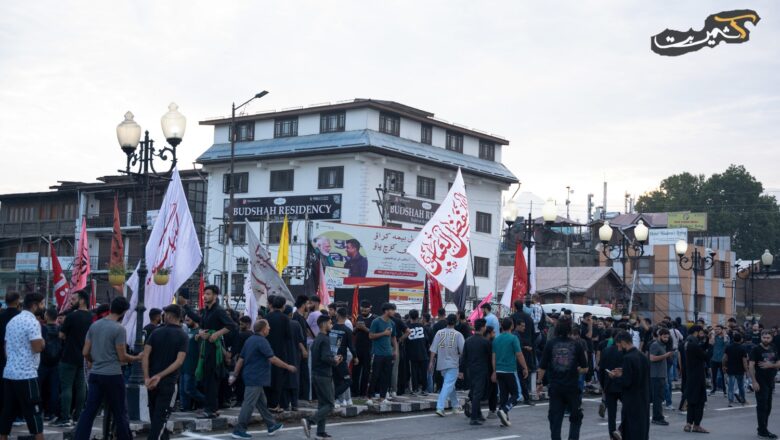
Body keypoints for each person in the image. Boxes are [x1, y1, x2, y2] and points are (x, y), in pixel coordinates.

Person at [73, 297, 141, 440]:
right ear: (123, 312)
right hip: (113, 375)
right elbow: (122, 357)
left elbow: (85, 352)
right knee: (120, 411)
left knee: (89, 410)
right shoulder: (119, 329)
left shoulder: (95, 325)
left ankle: (79, 437)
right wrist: (137, 358)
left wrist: (94, 360)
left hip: (95, 374)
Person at [229, 319, 295, 439]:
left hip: (251, 376)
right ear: (263, 329)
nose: (269, 328)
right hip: (256, 378)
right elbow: (272, 358)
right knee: (248, 404)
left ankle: (271, 425)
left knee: (262, 403)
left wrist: (235, 374)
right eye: (268, 327)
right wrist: (288, 366)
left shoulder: (250, 340)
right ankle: (239, 429)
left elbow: (241, 359)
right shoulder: (262, 341)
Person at [0, 293, 45, 440]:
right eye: (42, 304)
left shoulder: (12, 321)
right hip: (27, 375)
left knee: (7, 412)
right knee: (35, 414)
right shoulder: (32, 322)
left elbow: (6, 349)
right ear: (34, 305)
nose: (43, 307)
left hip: (9, 373)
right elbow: (37, 347)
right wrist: (43, 342)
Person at [142, 304, 188, 440]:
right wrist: (159, 376)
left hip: (152, 382)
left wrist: (147, 377)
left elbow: (145, 355)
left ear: (167, 316)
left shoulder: (156, 332)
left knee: (156, 418)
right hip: (168, 382)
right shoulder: (183, 336)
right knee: (160, 419)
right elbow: (179, 362)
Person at [538, 317, 588, 440]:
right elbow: (585, 368)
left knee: (555, 418)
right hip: (572, 387)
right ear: (570, 328)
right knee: (576, 417)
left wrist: (539, 382)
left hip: (555, 387)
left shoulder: (550, 344)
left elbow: (542, 367)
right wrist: (576, 370)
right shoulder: (577, 344)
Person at [53, 290, 92, 427]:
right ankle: (78, 416)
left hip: (69, 357)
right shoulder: (91, 317)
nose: (71, 302)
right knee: (81, 387)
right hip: (84, 357)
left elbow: (62, 335)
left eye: (73, 299)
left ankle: (65, 417)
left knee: (66, 387)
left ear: (82, 300)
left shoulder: (71, 317)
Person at [197, 285, 236, 419]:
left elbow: (231, 325)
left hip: (215, 350)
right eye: (205, 294)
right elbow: (203, 327)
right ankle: (212, 407)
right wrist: (200, 333)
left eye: (208, 294)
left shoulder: (219, 310)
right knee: (207, 379)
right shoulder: (205, 311)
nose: (205, 296)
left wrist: (217, 334)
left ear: (215, 296)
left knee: (211, 379)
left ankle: (211, 409)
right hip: (205, 348)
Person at [302, 315, 342, 439]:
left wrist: (332, 358)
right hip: (324, 375)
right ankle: (310, 421)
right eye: (330, 323)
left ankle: (320, 431)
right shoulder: (324, 339)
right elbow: (325, 357)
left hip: (316, 374)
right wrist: (335, 361)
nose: (331, 325)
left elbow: (320, 356)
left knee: (322, 404)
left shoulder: (318, 338)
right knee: (330, 404)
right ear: (324, 324)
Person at [609, 330, 650, 440]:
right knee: (642, 429)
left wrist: (615, 377)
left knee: (631, 430)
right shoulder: (642, 355)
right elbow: (639, 374)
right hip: (643, 397)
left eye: (618, 344)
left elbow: (627, 382)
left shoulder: (628, 358)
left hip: (631, 400)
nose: (617, 347)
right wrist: (624, 372)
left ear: (623, 342)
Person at [491, 317, 528, 427]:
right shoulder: (513, 338)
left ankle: (504, 418)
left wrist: (494, 371)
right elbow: (519, 354)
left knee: (503, 395)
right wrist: (525, 367)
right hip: (510, 370)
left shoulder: (496, 339)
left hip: (499, 370)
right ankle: (504, 409)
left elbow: (493, 357)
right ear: (512, 326)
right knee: (517, 395)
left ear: (501, 326)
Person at [429, 314, 465, 417]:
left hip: (441, 364)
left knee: (450, 385)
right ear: (456, 322)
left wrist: (431, 362)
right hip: (453, 363)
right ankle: (440, 407)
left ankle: (455, 405)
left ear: (446, 321)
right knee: (448, 385)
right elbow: (463, 351)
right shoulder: (458, 334)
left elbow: (433, 349)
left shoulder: (439, 333)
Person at [460, 318, 492, 425]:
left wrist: (461, 371)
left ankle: (478, 414)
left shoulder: (468, 340)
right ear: (482, 328)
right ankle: (474, 418)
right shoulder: (485, 342)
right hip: (481, 370)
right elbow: (490, 358)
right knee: (477, 394)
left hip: (470, 370)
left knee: (474, 392)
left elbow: (463, 357)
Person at [749, 330, 779, 439]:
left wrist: (771, 365)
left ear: (771, 338)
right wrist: (754, 381)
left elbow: (778, 362)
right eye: (764, 337)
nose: (766, 339)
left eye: (768, 338)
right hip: (760, 381)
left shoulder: (773, 347)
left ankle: (763, 428)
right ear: (761, 337)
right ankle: (762, 430)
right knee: (762, 406)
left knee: (769, 406)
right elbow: (751, 366)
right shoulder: (756, 349)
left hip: (770, 380)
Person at [264, 296, 290, 411]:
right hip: (280, 352)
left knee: (268, 376)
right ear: (283, 306)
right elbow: (288, 336)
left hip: (267, 351)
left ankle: (267, 403)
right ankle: (274, 404)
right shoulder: (285, 318)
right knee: (278, 378)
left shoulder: (267, 317)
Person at [367, 303, 397, 405]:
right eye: (392, 310)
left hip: (388, 353)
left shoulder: (392, 323)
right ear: (386, 311)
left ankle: (383, 397)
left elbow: (393, 338)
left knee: (386, 376)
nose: (394, 312)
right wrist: (383, 333)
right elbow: (370, 336)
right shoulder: (376, 321)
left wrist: (395, 350)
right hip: (377, 353)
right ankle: (369, 397)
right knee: (375, 375)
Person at [683, 325, 710, 434]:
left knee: (691, 401)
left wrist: (707, 341)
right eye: (701, 332)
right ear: (696, 332)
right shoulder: (694, 345)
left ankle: (689, 424)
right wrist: (711, 347)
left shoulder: (688, 343)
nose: (702, 334)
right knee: (700, 402)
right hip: (698, 376)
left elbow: (701, 349)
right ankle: (697, 425)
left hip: (690, 375)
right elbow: (706, 356)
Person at [597, 329, 623, 440]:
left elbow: (601, 370)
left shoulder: (606, 351)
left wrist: (603, 385)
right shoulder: (625, 351)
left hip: (609, 385)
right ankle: (621, 430)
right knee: (628, 410)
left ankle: (612, 435)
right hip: (623, 386)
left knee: (611, 414)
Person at [39, 307, 62, 421]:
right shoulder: (60, 329)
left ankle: (39, 410)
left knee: (39, 387)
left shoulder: (42, 329)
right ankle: (52, 412)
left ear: (46, 316)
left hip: (42, 361)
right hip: (56, 362)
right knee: (54, 388)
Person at [330, 307, 355, 406]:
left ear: (337, 315)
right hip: (341, 359)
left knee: (338, 380)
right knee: (347, 381)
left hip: (333, 357)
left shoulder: (333, 328)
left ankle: (339, 400)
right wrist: (356, 357)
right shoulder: (347, 330)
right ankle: (334, 396)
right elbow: (351, 346)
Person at [181, 312, 206, 411]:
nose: (186, 322)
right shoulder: (187, 331)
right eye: (185, 320)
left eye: (188, 320)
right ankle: (186, 409)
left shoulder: (199, 332)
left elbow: (201, 350)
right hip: (183, 365)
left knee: (189, 389)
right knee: (183, 390)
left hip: (192, 366)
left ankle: (207, 403)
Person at [649, 328, 672, 426]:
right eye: (664, 337)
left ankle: (658, 417)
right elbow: (652, 358)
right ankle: (657, 418)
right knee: (657, 398)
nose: (666, 339)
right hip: (656, 375)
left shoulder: (663, 345)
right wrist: (666, 355)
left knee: (660, 397)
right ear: (659, 336)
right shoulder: (655, 345)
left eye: (667, 337)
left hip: (661, 375)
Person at [351, 300, 374, 398]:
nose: (363, 309)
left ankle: (363, 393)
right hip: (357, 349)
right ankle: (354, 392)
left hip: (368, 350)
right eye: (362, 307)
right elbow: (354, 332)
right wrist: (356, 328)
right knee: (355, 371)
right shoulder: (359, 317)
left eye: (366, 307)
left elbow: (374, 334)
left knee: (366, 372)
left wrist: (364, 328)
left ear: (370, 308)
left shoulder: (374, 319)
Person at [405, 310, 429, 396]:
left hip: (412, 353)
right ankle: (424, 389)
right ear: (418, 316)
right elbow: (427, 340)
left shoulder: (407, 327)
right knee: (423, 372)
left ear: (410, 317)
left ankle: (415, 389)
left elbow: (405, 341)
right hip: (423, 352)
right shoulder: (422, 327)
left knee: (413, 372)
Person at [722, 332, 748, 407]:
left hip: (730, 369)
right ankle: (743, 400)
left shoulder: (728, 347)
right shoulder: (743, 348)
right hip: (740, 369)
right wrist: (747, 371)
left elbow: (724, 358)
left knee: (731, 386)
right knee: (741, 386)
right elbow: (744, 361)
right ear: (741, 340)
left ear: (733, 339)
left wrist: (723, 366)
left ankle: (730, 401)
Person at [708, 325, 727, 396]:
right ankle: (713, 389)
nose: (717, 330)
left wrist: (724, 335)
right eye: (716, 329)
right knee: (714, 376)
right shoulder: (714, 337)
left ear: (722, 330)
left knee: (723, 376)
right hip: (714, 359)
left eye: (719, 329)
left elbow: (726, 343)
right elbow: (711, 343)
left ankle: (725, 391)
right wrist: (712, 334)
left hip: (722, 360)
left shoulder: (726, 337)